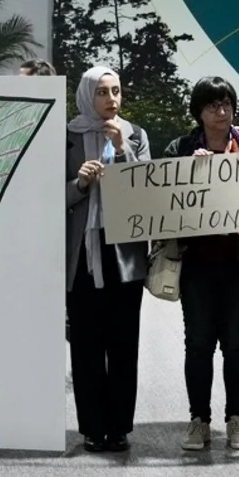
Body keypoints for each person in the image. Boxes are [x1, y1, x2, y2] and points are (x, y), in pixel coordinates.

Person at [163, 76, 239, 452]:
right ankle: (198, 420)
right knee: (198, 344)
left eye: (227, 104)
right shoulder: (181, 147)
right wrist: (189, 169)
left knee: (237, 343)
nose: (221, 111)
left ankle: (237, 418)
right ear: (198, 112)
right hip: (198, 265)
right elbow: (163, 199)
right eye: (213, 105)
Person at [65, 66, 149, 454]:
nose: (111, 99)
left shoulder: (136, 135)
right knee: (85, 344)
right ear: (87, 96)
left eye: (116, 91)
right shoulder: (66, 136)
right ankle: (92, 428)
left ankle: (119, 428)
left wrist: (126, 150)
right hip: (81, 254)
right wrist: (79, 184)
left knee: (122, 344)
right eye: (102, 92)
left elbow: (147, 190)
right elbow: (48, 196)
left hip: (122, 254)